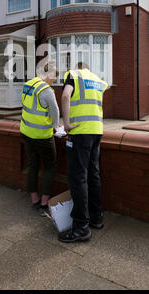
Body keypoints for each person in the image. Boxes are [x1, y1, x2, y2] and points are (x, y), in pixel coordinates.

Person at [59, 62, 108, 243]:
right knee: (93, 174)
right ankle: (97, 218)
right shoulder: (97, 80)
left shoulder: (74, 75)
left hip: (80, 132)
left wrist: (66, 124)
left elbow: (65, 96)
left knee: (78, 177)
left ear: (77, 67)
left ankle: (80, 227)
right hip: (96, 131)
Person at [20, 63, 59, 214]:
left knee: (33, 164)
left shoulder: (28, 84)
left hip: (26, 131)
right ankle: (44, 204)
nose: (53, 81)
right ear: (49, 75)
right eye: (54, 78)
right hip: (42, 135)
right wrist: (56, 126)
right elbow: (55, 113)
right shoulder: (47, 91)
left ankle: (34, 200)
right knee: (50, 166)